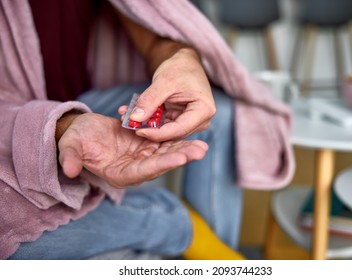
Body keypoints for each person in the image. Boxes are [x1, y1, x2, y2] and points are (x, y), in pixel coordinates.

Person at [0, 0, 245, 260]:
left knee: (221, 110)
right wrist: (60, 125)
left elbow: (153, 38)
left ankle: (219, 263)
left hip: (85, 105)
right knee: (20, 246)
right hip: (15, 125)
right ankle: (175, 222)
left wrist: (181, 58)